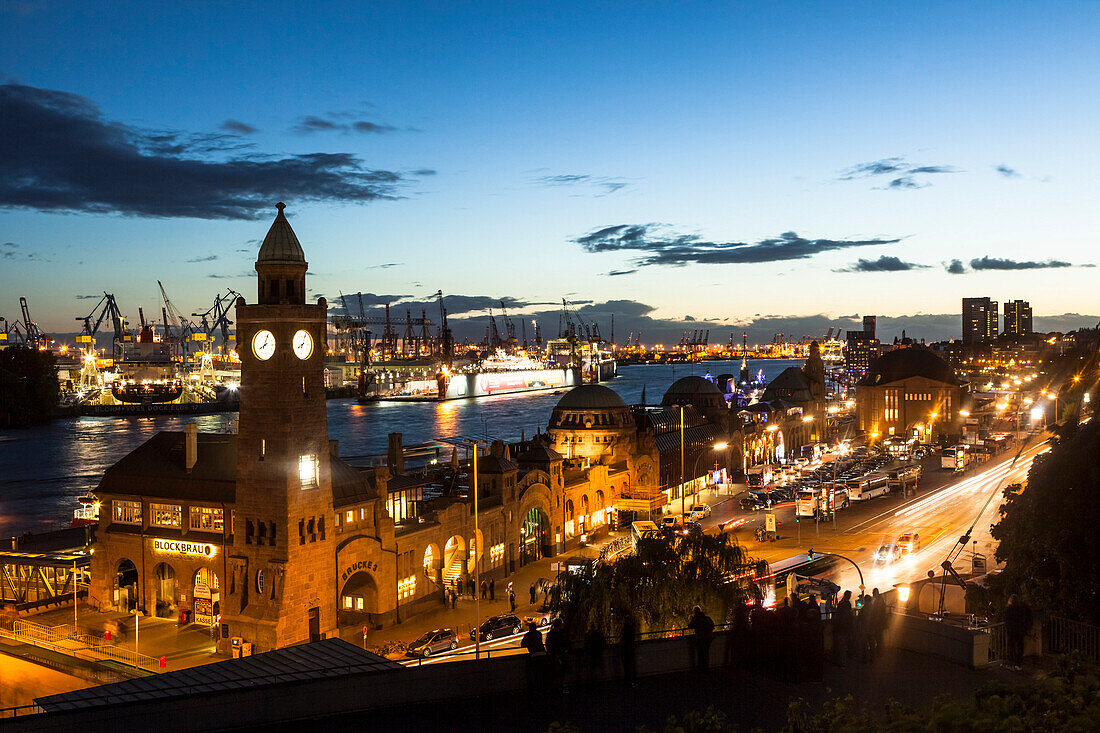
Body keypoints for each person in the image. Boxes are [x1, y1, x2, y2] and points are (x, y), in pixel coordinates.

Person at [1003, 595, 1033, 670]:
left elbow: (1006, 620)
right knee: (1020, 647)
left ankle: (1010, 664)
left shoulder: (1008, 608)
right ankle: (1018, 664)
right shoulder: (1021, 608)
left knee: (1011, 647)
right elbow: (1027, 617)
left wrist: (1008, 628)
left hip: (1011, 631)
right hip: (1020, 631)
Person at [687, 605, 715, 673]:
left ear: (695, 612)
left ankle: (701, 668)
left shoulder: (696, 618)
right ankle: (706, 667)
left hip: (700, 637)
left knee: (700, 653)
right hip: (708, 637)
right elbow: (712, 626)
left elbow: (690, 626)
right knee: (706, 652)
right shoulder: (706, 618)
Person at [520, 621, 547, 691]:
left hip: (534, 655)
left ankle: (536, 688)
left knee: (535, 672)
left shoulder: (527, 635)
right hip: (543, 654)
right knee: (543, 672)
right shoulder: (539, 633)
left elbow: (522, 644)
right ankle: (543, 687)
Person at [832, 590, 854, 668]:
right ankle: (842, 662)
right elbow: (848, 616)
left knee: (840, 645)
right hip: (844, 628)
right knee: (843, 646)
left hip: (840, 628)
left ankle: (839, 661)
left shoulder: (841, 603)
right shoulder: (847, 604)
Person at [620, 613, 637, 686]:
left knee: (627, 666)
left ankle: (628, 680)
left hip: (626, 649)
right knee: (631, 665)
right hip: (630, 649)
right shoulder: (632, 628)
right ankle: (632, 680)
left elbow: (624, 639)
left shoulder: (626, 629)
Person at [869, 588, 887, 660]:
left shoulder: (877, 602)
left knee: (878, 638)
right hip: (880, 623)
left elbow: (876, 614)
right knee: (879, 638)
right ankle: (880, 652)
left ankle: (879, 652)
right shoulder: (881, 601)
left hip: (878, 624)